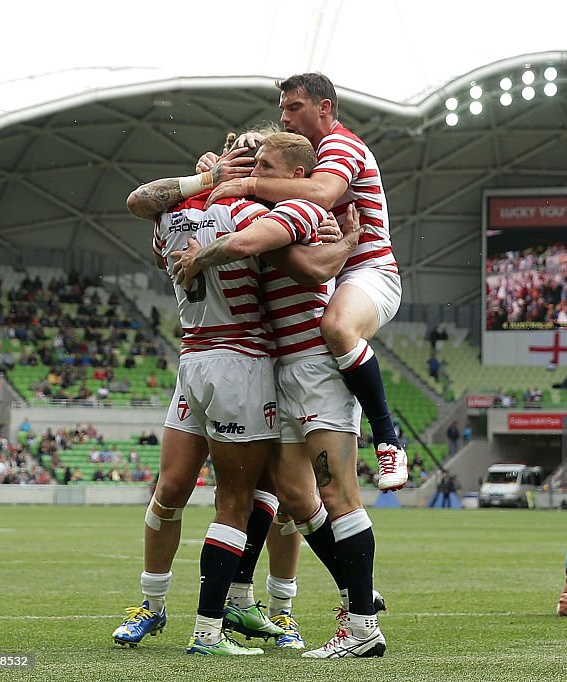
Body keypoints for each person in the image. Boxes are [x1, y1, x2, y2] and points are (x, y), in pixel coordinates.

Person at [113, 131, 351, 655]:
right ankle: (175, 613)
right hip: (222, 358)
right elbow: (295, 258)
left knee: (242, 494)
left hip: (222, 360)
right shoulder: (222, 212)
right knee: (210, 492)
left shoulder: (200, 217)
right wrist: (341, 232)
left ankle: (240, 610)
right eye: (244, 155)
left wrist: (209, 189)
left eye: (254, 156)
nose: (245, 161)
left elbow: (154, 228)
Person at [177, 133, 388, 659]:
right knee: (295, 497)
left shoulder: (297, 207)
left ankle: (361, 626)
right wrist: (215, 172)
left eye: (267, 166)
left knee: (340, 495)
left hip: (314, 366)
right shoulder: (262, 208)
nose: (258, 173)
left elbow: (306, 267)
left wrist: (202, 255)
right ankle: (356, 594)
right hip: (281, 369)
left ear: (296, 174)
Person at [204, 72, 407, 491]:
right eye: (282, 110)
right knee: (290, 497)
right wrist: (215, 172)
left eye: (294, 108)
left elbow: (324, 192)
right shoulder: (299, 157)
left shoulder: (341, 145)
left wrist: (249, 183)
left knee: (337, 327)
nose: (285, 119)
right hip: (329, 277)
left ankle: (388, 441)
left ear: (324, 108)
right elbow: (252, 162)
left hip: (370, 272)